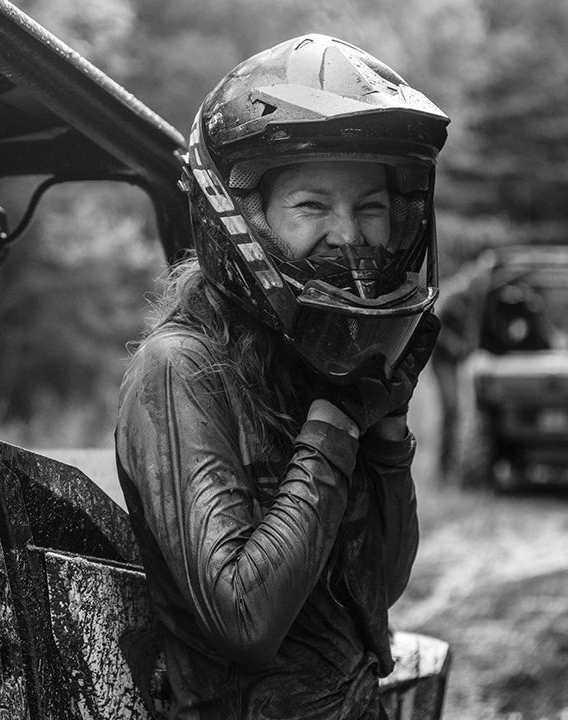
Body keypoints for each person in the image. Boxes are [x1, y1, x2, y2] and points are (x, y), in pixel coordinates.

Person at [115, 34, 448, 720]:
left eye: (370, 207)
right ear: (245, 216)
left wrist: (386, 436)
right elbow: (244, 617)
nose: (349, 234)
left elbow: (379, 589)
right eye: (312, 206)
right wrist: (335, 425)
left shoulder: (312, 363)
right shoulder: (183, 368)